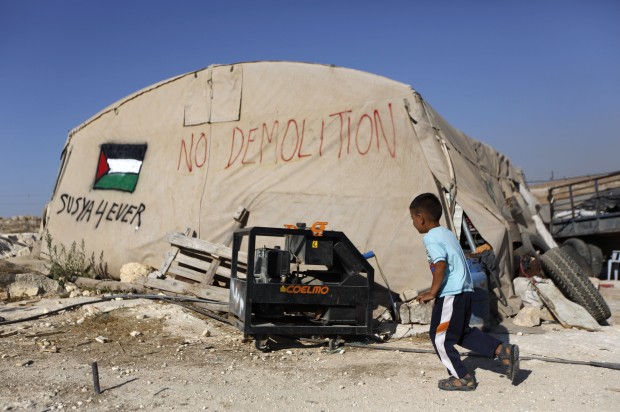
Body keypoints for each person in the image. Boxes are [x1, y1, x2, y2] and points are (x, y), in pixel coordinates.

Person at [410, 193, 519, 391]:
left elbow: (441, 265)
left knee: (439, 338)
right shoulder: (447, 233)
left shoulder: (431, 238)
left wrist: (433, 292)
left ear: (420, 217)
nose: (413, 224)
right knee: (460, 333)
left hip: (452, 293)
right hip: (465, 290)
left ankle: (462, 377)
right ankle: (502, 350)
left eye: (412, 219)